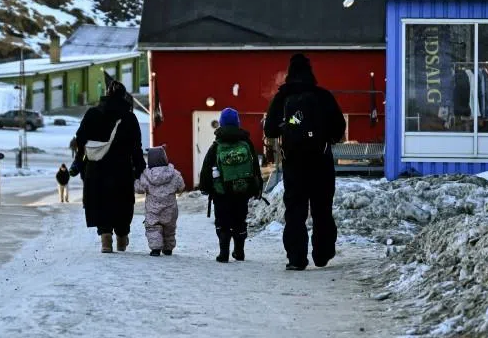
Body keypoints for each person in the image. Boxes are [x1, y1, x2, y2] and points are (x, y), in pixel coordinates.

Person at [263, 54, 346, 271]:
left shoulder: (282, 98)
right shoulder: (323, 96)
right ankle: (323, 253)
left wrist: (288, 129)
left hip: (294, 163)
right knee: (322, 209)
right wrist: (325, 137)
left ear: (290, 73)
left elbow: (269, 129)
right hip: (321, 161)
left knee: (295, 211)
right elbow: (339, 127)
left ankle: (296, 258)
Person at [70, 80, 146, 254]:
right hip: (122, 169)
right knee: (122, 203)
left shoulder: (92, 113)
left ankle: (105, 237)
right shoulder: (129, 117)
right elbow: (136, 146)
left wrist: (79, 161)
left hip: (96, 168)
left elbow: (80, 139)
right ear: (123, 96)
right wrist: (140, 167)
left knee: (100, 201)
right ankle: (121, 237)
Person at [199, 108, 263, 263]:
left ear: (221, 123)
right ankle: (239, 251)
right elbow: (255, 166)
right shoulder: (246, 142)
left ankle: (224, 253)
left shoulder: (217, 144)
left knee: (222, 221)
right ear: (237, 123)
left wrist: (206, 188)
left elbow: (207, 168)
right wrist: (256, 187)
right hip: (242, 191)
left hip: (222, 192)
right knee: (240, 220)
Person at [135, 146, 185, 256]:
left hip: (153, 210)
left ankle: (155, 249)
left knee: (153, 228)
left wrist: (135, 181)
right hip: (170, 209)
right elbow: (181, 186)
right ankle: (168, 248)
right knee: (169, 229)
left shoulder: (146, 175)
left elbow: (139, 189)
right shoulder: (174, 174)